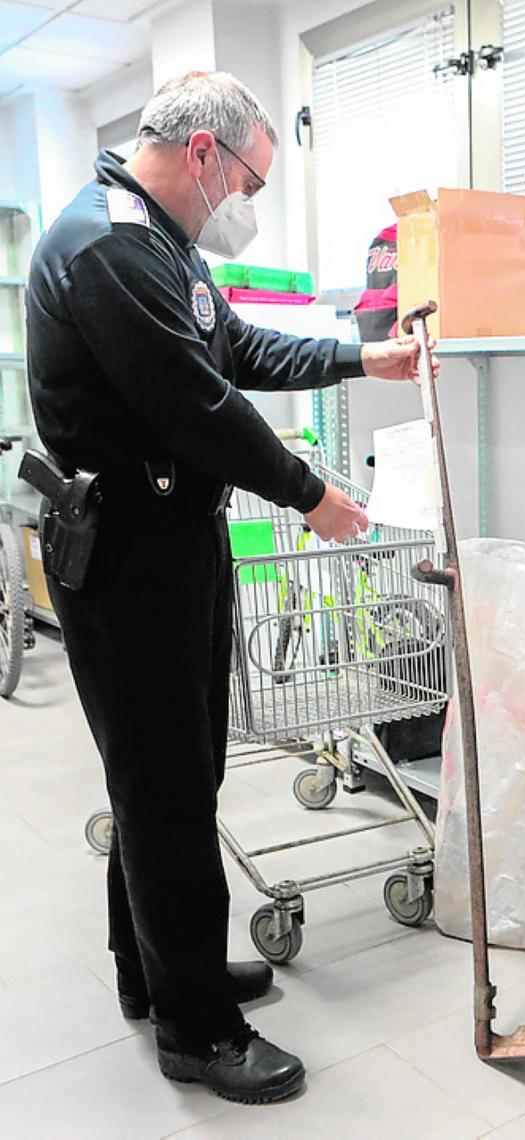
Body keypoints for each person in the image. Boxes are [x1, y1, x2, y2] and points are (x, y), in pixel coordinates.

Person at [24, 71, 438, 1104]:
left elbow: (232, 345)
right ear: (204, 153)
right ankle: (198, 1031)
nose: (247, 201)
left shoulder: (158, 241)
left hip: (173, 540)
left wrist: (361, 358)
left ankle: (159, 970)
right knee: (164, 785)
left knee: (172, 775)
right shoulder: (107, 246)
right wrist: (310, 493)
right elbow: (195, 401)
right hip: (129, 554)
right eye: (250, 179)